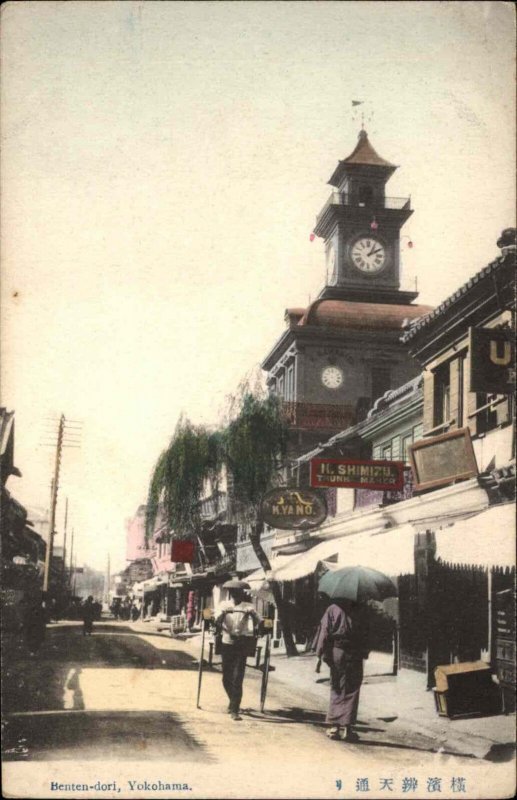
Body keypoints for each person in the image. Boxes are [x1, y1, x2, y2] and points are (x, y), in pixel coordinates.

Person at [313, 598, 370, 741]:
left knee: (337, 686)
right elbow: (367, 632)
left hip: (337, 652)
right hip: (354, 652)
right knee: (352, 689)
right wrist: (365, 652)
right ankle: (348, 729)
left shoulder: (332, 609)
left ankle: (334, 727)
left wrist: (319, 654)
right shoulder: (360, 609)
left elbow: (324, 631)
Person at [215, 580, 261, 721]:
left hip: (242, 643)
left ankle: (235, 709)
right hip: (227, 642)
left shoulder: (249, 606)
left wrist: (252, 614)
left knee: (237, 677)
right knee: (226, 678)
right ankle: (232, 700)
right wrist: (223, 614)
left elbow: (259, 621)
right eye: (234, 593)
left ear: (242, 594)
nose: (237, 595)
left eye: (239, 593)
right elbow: (216, 622)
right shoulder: (224, 605)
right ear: (230, 593)